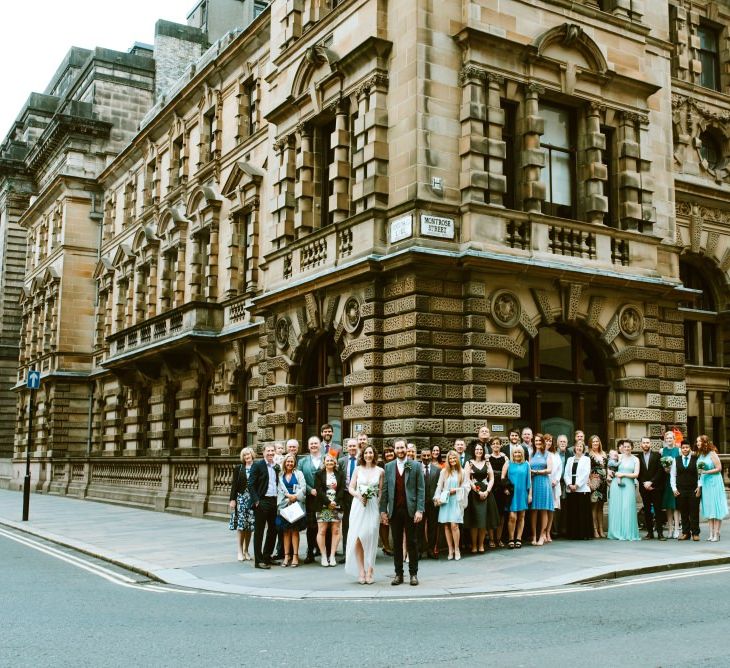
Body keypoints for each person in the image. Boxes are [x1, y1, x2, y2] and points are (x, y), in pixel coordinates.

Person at [380, 438, 425, 586]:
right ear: (394, 450)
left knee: (412, 542)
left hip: (411, 510)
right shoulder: (389, 467)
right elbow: (385, 490)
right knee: (397, 544)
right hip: (394, 510)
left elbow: (420, 490)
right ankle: (398, 574)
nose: (400, 451)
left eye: (402, 448)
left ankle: (413, 574)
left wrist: (419, 509)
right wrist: (383, 511)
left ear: (407, 448)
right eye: (397, 448)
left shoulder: (415, 465)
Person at [345, 444, 384, 584]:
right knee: (358, 538)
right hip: (358, 505)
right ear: (363, 455)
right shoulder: (357, 469)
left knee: (371, 535)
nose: (368, 455)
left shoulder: (380, 471)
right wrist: (358, 495)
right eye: (366, 453)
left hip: (372, 506)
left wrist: (378, 504)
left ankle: (370, 570)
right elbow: (350, 487)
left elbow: (380, 491)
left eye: (371, 453)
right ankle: (361, 570)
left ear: (374, 455)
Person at [248, 444, 281, 569]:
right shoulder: (257, 465)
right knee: (259, 531)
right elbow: (250, 484)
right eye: (268, 451)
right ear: (263, 452)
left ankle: (267, 556)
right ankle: (259, 560)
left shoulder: (276, 466)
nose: (271, 453)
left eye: (273, 451)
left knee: (274, 529)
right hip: (262, 502)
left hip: (274, 501)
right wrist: (256, 501)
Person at [434, 450, 471, 560]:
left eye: (454, 458)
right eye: (450, 459)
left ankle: (457, 549)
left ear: (457, 459)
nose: (452, 460)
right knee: (446, 525)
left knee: (454, 525)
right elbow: (439, 486)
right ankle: (450, 550)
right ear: (448, 460)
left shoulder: (462, 472)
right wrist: (437, 497)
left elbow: (467, 487)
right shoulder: (444, 472)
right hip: (446, 500)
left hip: (457, 500)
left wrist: (457, 490)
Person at [464, 443, 500, 552]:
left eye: (480, 449)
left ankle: (481, 545)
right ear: (473, 451)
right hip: (474, 493)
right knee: (474, 521)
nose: (479, 451)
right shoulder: (469, 463)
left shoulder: (487, 463)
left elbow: (492, 478)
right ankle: (474, 545)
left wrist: (487, 491)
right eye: (477, 449)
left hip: (486, 493)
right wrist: (477, 491)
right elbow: (467, 479)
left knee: (483, 520)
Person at [314, 453, 345, 566]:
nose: (329, 463)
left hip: (336, 505)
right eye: (327, 461)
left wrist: (335, 501)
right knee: (322, 530)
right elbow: (318, 490)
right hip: (323, 506)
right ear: (324, 462)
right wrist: (328, 502)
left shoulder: (340, 474)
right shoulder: (319, 474)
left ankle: (332, 556)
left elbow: (342, 490)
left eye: (332, 461)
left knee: (336, 530)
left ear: (335, 462)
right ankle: (323, 556)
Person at [276, 453, 306, 566]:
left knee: (294, 531)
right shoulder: (280, 475)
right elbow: (280, 490)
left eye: (291, 461)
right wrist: (288, 497)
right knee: (285, 532)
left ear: (294, 463)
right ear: (284, 462)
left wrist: (295, 497)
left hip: (296, 505)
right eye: (288, 461)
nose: (289, 463)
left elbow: (303, 488)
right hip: (284, 505)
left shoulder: (299, 474)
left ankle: (295, 556)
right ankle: (286, 556)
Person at [606, 439, 640, 541]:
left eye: (628, 446)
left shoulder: (635, 459)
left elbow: (636, 474)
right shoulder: (618, 457)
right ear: (622, 447)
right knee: (617, 508)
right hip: (616, 485)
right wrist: (609, 473)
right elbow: (609, 466)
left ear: (632, 447)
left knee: (627, 508)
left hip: (628, 484)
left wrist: (623, 474)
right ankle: (616, 532)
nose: (626, 448)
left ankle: (628, 533)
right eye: (625, 446)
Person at [696, 435, 728, 542]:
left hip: (714, 482)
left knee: (715, 507)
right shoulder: (700, 455)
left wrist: (706, 472)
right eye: (697, 442)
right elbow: (699, 472)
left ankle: (717, 533)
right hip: (705, 483)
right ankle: (710, 533)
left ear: (704, 442)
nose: (697, 443)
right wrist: (699, 486)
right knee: (709, 507)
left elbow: (719, 468)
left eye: (699, 441)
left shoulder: (712, 453)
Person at [298, 436, 324, 563]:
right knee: (311, 526)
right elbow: (300, 479)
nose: (314, 445)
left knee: (324, 525)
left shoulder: (326, 459)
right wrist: (310, 490)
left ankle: (324, 551)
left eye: (316, 443)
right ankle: (310, 551)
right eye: (311, 443)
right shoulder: (302, 462)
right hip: (309, 498)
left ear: (320, 445)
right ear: (308, 446)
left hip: (324, 498)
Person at [670, 440, 701, 541]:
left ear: (690, 448)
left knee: (694, 512)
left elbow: (701, 474)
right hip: (680, 489)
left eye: (687, 447)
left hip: (693, 489)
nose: (685, 449)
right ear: (681, 449)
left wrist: (699, 486)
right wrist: (674, 488)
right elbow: (673, 475)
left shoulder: (696, 459)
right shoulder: (676, 460)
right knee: (683, 512)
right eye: (683, 448)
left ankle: (695, 533)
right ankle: (685, 533)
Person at [228, 446, 255, 561]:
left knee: (249, 527)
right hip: (241, 500)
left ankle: (246, 550)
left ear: (252, 455)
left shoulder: (257, 467)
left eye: (248, 454)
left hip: (252, 500)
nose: (247, 456)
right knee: (241, 526)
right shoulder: (239, 468)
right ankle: (239, 551)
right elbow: (234, 485)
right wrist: (232, 499)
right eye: (244, 455)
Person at [637, 436, 667, 540]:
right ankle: (650, 533)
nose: (646, 444)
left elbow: (660, 471)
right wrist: (644, 483)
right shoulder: (638, 457)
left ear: (650, 444)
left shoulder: (657, 455)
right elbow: (638, 473)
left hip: (656, 488)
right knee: (647, 511)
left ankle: (660, 533)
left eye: (647, 443)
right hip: (644, 488)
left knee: (658, 510)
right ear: (641, 444)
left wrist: (651, 483)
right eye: (644, 443)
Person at [563, 441, 593, 540]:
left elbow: (586, 473)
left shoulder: (586, 459)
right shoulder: (570, 459)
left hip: (582, 489)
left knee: (582, 512)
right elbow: (566, 473)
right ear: (574, 448)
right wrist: (569, 484)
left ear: (583, 448)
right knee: (573, 512)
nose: (579, 448)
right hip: (571, 489)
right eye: (577, 446)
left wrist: (577, 485)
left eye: (581, 446)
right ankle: (573, 534)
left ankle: (583, 534)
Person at [529, 433, 554, 546]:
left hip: (543, 482)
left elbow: (549, 470)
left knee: (543, 510)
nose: (538, 443)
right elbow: (528, 468)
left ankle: (541, 536)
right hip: (533, 483)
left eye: (540, 441)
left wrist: (537, 472)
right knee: (534, 510)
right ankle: (534, 536)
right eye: (536, 441)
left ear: (543, 442)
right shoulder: (531, 454)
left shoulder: (547, 454)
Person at [505, 447, 531, 548]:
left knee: (521, 516)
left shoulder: (526, 464)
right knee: (512, 517)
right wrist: (505, 488)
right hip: (512, 493)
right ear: (512, 453)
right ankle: (511, 538)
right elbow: (503, 478)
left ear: (522, 454)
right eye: (515, 452)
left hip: (523, 493)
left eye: (519, 452)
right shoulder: (508, 463)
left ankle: (518, 538)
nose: (517, 454)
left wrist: (530, 494)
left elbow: (529, 480)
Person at [488, 436, 510, 547]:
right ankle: (491, 539)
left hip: (501, 488)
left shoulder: (505, 458)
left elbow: (506, 474)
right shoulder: (487, 458)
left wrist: (506, 487)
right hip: (491, 487)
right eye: (494, 443)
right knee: (491, 514)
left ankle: (499, 538)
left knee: (501, 515)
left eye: (498, 443)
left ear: (501, 445)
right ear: (491, 445)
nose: (496, 445)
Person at [420, 447, 442, 559]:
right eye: (424, 455)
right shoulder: (417, 468)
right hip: (420, 503)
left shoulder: (437, 469)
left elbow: (439, 486)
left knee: (433, 527)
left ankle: (431, 549)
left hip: (433, 503)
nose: (426, 457)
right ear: (421, 456)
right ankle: (420, 550)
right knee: (419, 527)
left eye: (428, 455)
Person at [339, 437, 359, 553]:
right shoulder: (342, 461)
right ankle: (347, 552)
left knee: (358, 523)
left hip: (358, 495)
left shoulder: (362, 460)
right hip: (346, 495)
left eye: (354, 446)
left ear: (357, 447)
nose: (352, 448)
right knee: (346, 524)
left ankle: (358, 551)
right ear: (347, 448)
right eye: (350, 446)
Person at [661, 430, 681, 539]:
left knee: (676, 505)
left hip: (675, 480)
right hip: (665, 480)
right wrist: (665, 468)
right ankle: (670, 529)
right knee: (668, 506)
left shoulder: (678, 451)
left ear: (674, 439)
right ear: (665, 440)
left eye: (671, 438)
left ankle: (677, 528)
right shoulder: (661, 450)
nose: (669, 440)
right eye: (667, 438)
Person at [588, 435, 608, 538]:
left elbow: (607, 467)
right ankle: (595, 529)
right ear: (590, 443)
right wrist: (589, 482)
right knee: (594, 506)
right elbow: (587, 469)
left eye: (597, 441)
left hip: (604, 483)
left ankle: (601, 529)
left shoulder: (604, 453)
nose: (595, 443)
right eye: (593, 442)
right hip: (595, 482)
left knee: (601, 506)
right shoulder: (589, 454)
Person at [545, 434, 563, 542]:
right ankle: (542, 531)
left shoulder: (555, 454)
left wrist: (556, 480)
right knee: (543, 509)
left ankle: (548, 532)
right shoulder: (540, 453)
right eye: (546, 441)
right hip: (544, 483)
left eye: (550, 441)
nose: (548, 443)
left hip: (554, 485)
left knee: (551, 509)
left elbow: (559, 469)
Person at [379, 445, 396, 555]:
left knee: (394, 520)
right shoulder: (381, 465)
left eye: (391, 452)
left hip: (395, 495)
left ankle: (395, 545)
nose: (389, 454)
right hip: (384, 495)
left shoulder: (397, 464)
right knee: (384, 522)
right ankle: (386, 546)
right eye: (387, 452)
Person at [553, 435, 570, 536]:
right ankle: (554, 530)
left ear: (567, 444)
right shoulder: (554, 454)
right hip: (555, 483)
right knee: (555, 506)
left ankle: (564, 529)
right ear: (557, 443)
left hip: (566, 483)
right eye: (561, 442)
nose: (563, 443)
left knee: (565, 506)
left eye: (564, 442)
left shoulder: (570, 454)